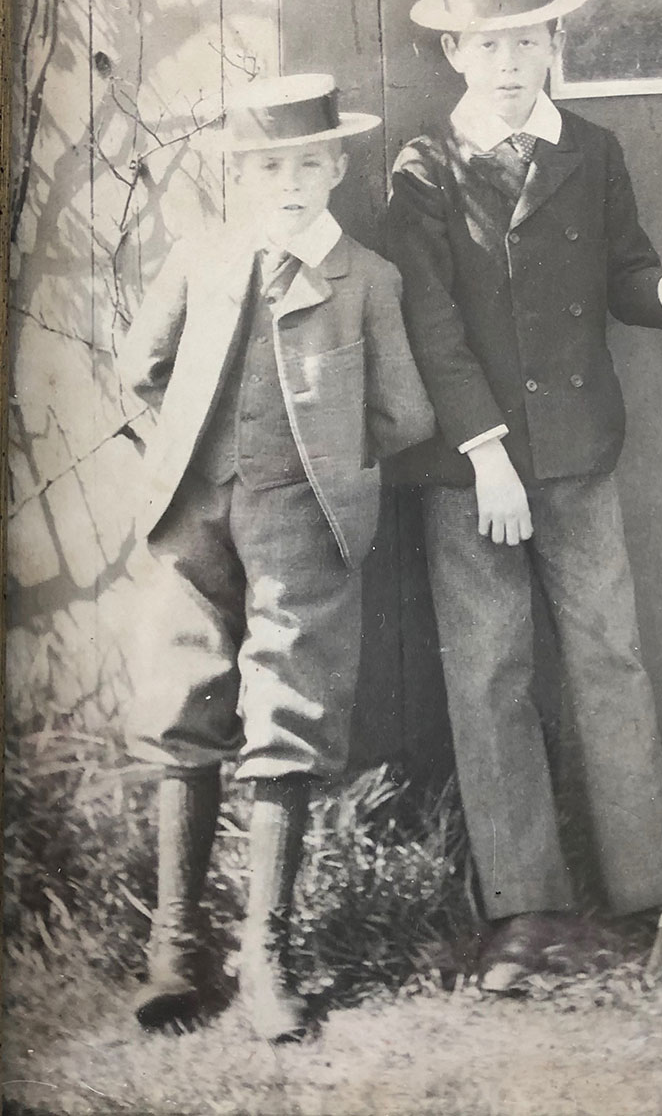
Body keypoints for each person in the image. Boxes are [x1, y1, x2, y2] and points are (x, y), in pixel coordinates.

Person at [387, 0, 662, 992]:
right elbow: (430, 326)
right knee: (490, 674)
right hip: (471, 469)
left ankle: (655, 894)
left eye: (529, 40)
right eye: (490, 44)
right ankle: (524, 915)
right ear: (455, 49)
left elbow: (621, 273)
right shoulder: (422, 170)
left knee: (609, 658)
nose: (511, 61)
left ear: (555, 43)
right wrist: (484, 452)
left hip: (578, 456)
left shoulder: (595, 148)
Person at [120, 73, 434, 1041]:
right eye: (269, 164)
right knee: (186, 701)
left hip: (303, 521)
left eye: (308, 161)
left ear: (337, 165)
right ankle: (177, 944)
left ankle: (270, 949)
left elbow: (405, 411)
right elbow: (144, 368)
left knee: (286, 712)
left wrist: (328, 470)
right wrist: (187, 461)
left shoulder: (369, 279)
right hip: (195, 518)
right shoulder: (202, 256)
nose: (289, 180)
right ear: (241, 173)